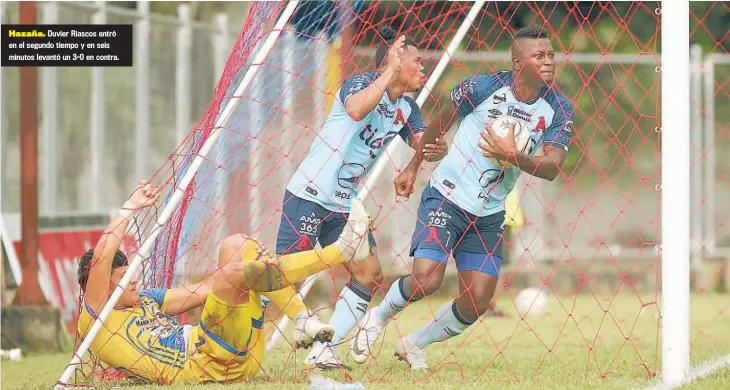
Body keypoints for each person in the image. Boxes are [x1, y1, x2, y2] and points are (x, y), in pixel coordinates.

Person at [351, 25, 576, 370]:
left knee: (477, 301)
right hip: (446, 196)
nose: (548, 62)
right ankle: (376, 319)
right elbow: (439, 125)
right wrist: (413, 166)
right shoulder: (482, 87)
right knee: (427, 278)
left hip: (488, 214)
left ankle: (414, 343)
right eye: (539, 56)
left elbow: (552, 167)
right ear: (518, 63)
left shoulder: (559, 108)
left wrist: (511, 154)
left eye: (550, 56)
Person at [271, 25, 448, 369]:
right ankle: (227, 319)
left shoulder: (408, 109)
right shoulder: (361, 83)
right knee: (279, 277)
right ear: (396, 62)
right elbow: (355, 110)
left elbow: (423, 142)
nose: (423, 67)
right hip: (309, 193)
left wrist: (430, 152)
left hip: (342, 205)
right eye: (417, 60)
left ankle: (325, 349)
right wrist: (387, 73)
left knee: (369, 274)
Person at [75, 180, 373, 384]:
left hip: (234, 352)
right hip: (207, 365)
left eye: (130, 271)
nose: (133, 279)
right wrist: (131, 206)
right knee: (234, 272)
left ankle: (301, 318)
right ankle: (339, 252)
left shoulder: (149, 300)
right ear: (99, 284)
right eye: (123, 276)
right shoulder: (97, 318)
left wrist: (252, 267)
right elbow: (101, 257)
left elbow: (204, 291)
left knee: (237, 244)